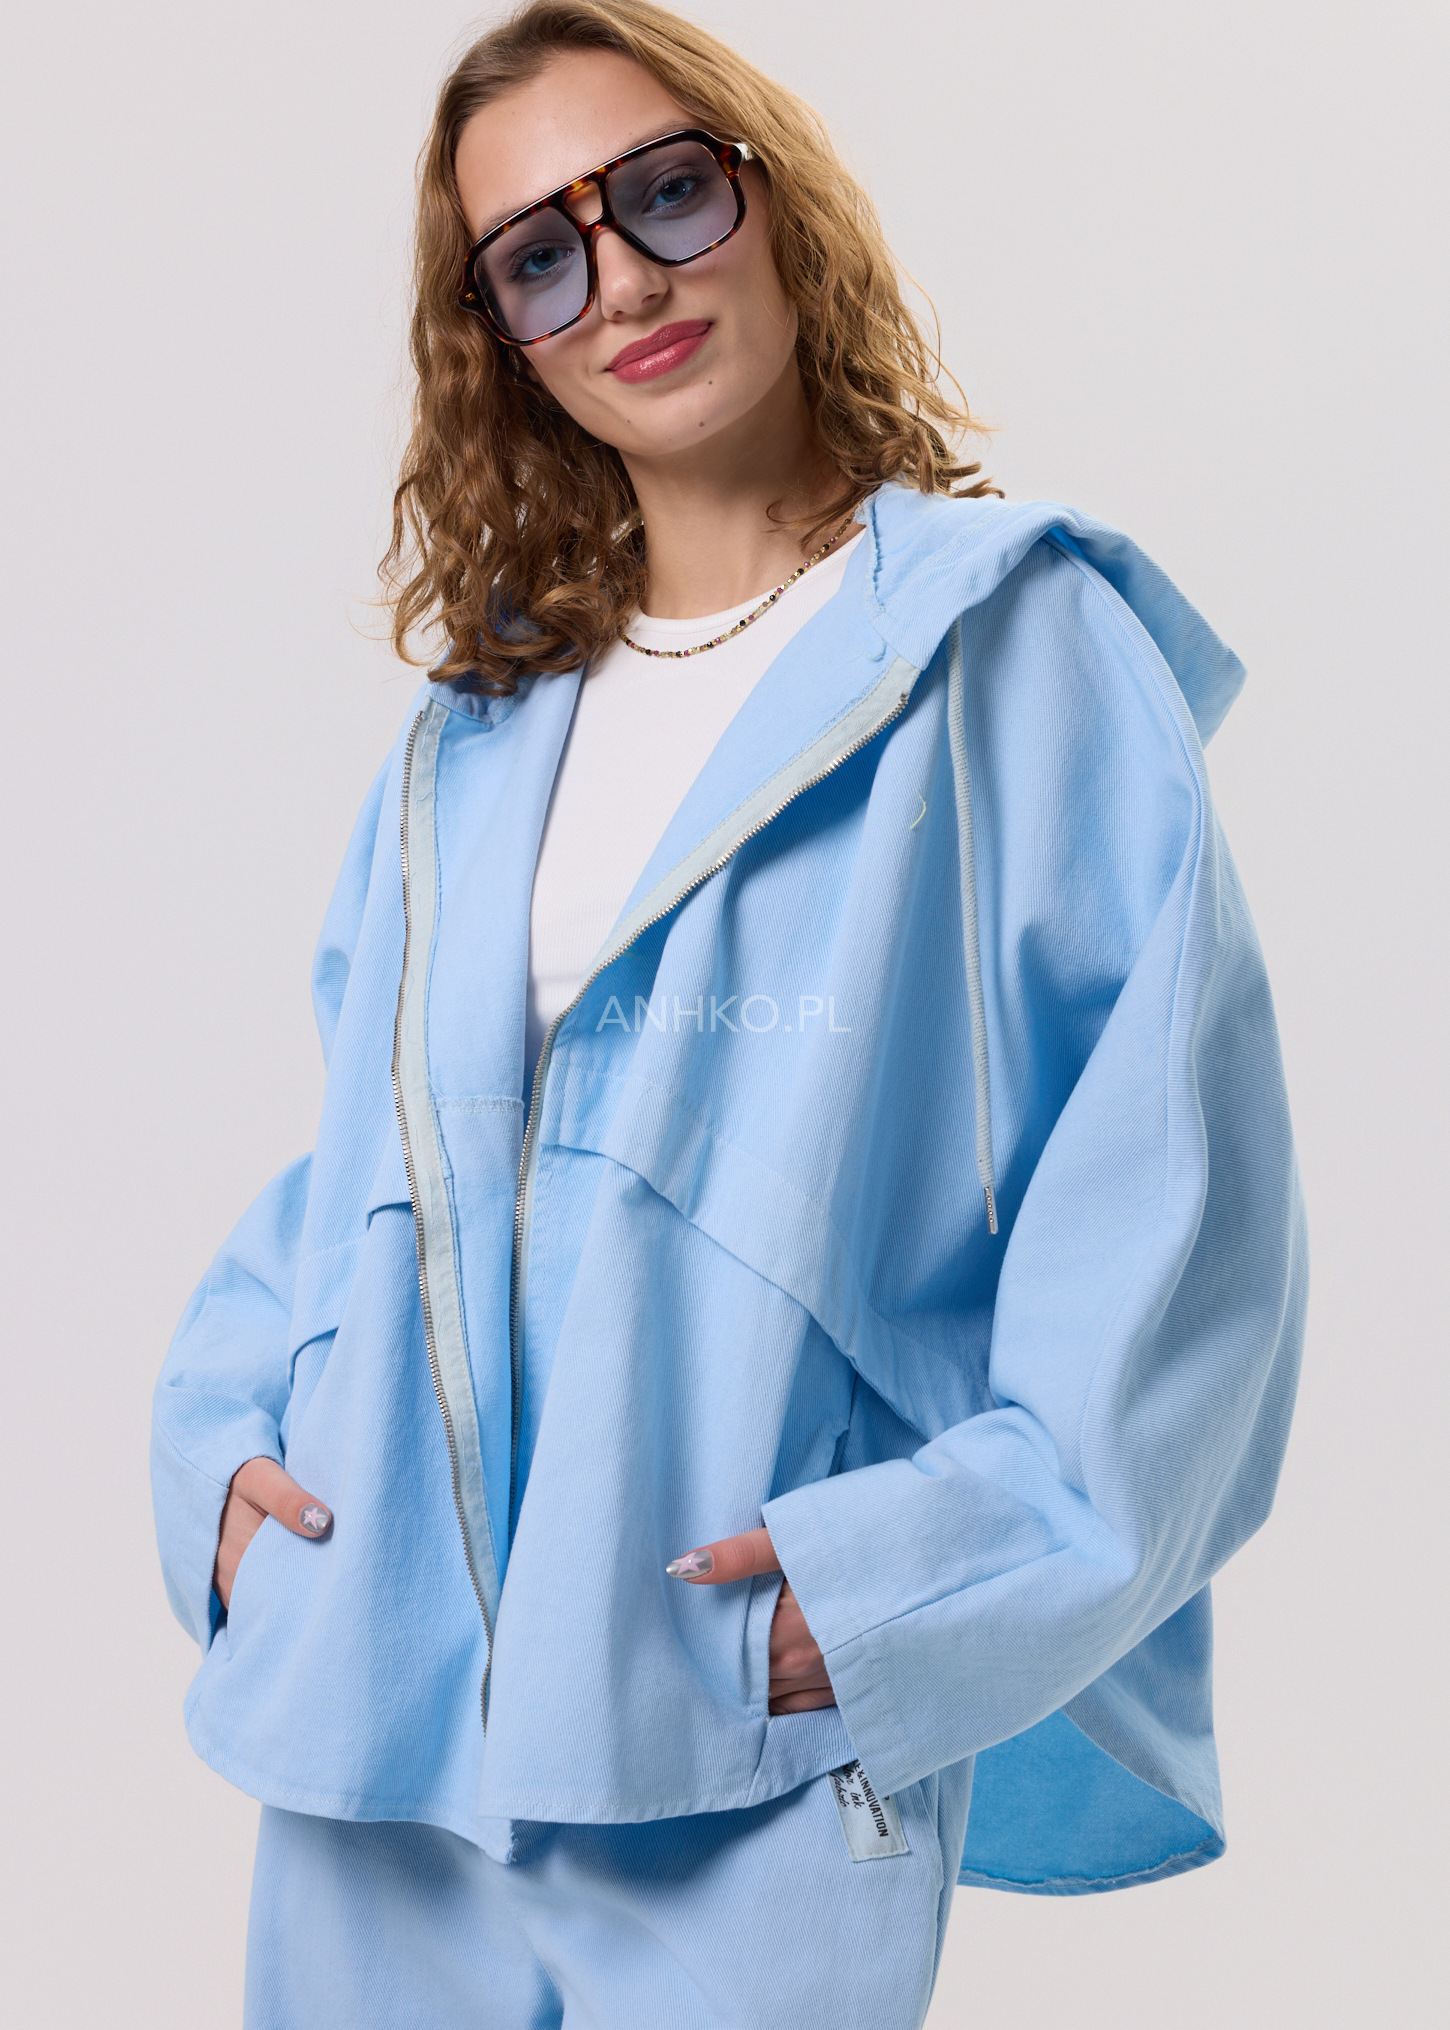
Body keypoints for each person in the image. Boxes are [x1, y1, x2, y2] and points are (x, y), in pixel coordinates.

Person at [151, 3, 1307, 2023]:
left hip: (730, 1697)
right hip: (374, 1703)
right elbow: (358, 1169)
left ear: (775, 203)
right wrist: (220, 1461)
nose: (619, 279)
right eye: (538, 254)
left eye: (665, 191)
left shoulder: (1010, 654)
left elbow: (1178, 1229)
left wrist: (896, 1594)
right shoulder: (474, 733)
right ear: (499, 336)